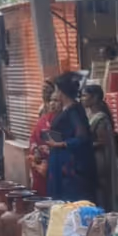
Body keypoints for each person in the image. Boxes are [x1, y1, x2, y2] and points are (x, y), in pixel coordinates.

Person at [44, 72, 96, 202]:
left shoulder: (74, 111)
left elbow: (82, 137)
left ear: (61, 92)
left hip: (70, 166)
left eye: (56, 90)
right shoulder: (68, 109)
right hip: (60, 161)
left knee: (70, 200)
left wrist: (61, 144)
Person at [82, 83, 118, 211]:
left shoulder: (100, 118)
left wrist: (83, 145)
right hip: (90, 158)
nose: (82, 98)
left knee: (101, 191)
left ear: (94, 98)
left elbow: (101, 141)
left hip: (98, 159)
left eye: (85, 96)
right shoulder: (89, 115)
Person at [27, 80, 54, 196]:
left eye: (47, 89)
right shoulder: (42, 108)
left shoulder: (57, 108)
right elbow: (38, 127)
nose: (45, 92)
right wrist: (36, 149)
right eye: (43, 90)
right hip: (41, 145)